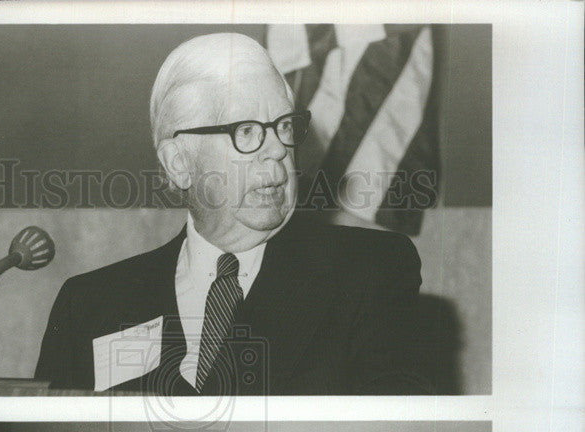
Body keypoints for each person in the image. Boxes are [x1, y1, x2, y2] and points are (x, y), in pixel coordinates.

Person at [34, 33, 430, 396]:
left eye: (285, 127)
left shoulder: (369, 273)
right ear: (179, 163)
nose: (277, 150)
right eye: (246, 131)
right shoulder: (88, 306)